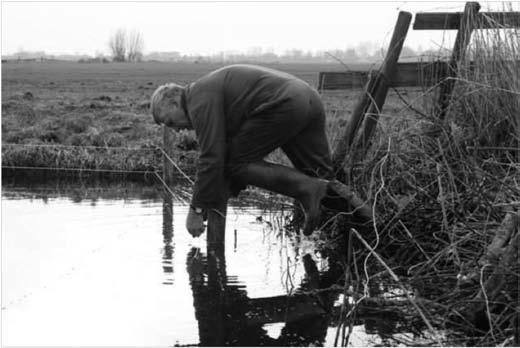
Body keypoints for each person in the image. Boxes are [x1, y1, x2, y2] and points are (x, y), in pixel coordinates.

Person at [150, 64, 336, 237]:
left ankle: (308, 189)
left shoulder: (198, 99)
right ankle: (349, 220)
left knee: (235, 163)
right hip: (308, 97)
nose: (175, 129)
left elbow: (212, 157)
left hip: (285, 103)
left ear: (175, 103)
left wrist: (196, 209)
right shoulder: (205, 92)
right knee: (325, 176)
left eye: (171, 122)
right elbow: (227, 148)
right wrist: (212, 196)